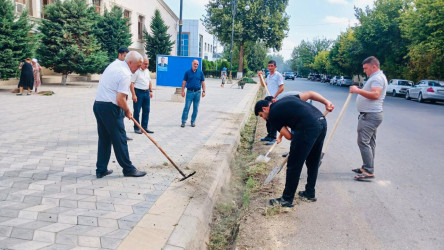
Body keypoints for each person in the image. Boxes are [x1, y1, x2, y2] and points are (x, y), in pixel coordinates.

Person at [255, 92, 334, 207]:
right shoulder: (287, 99)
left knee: (294, 164)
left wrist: (283, 130)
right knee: (313, 161)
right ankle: (309, 193)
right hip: (321, 121)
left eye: (262, 115)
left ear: (265, 108)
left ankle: (286, 199)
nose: (264, 118)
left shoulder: (272, 115)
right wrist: (327, 102)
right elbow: (310, 94)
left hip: (307, 127)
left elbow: (290, 136)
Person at [93, 51, 147, 178]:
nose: (139, 68)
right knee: (120, 139)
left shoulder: (115, 64)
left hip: (99, 105)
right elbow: (120, 99)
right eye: (138, 65)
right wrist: (127, 111)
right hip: (110, 108)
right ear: (130, 63)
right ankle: (128, 169)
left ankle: (101, 170)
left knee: (105, 139)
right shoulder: (125, 74)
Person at [349, 56, 387, 181]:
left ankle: (369, 171)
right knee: (370, 143)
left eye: (366, 68)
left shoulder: (377, 78)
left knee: (363, 142)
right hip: (371, 114)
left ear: (374, 66)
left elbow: (376, 95)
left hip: (370, 116)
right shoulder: (376, 77)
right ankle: (367, 167)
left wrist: (357, 90)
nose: (364, 71)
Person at [261, 60, 284, 144]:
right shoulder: (268, 75)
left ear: (275, 67)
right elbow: (264, 85)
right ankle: (269, 135)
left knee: (273, 118)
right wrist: (260, 77)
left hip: (274, 99)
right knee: (267, 118)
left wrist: (274, 96)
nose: (270, 67)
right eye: (269, 66)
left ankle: (273, 137)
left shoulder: (278, 75)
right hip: (267, 99)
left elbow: (282, 88)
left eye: (271, 66)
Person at [130, 55, 154, 134]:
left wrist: (151, 91)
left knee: (146, 110)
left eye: (147, 64)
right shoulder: (136, 71)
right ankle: (137, 127)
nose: (147, 65)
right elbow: (132, 83)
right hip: (138, 92)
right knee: (137, 111)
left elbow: (149, 81)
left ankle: (144, 127)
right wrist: (133, 95)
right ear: (141, 63)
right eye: (145, 64)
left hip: (146, 92)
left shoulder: (147, 71)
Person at [180, 59, 206, 128]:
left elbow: (203, 82)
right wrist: (182, 91)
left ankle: (193, 121)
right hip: (189, 92)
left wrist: (204, 91)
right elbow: (184, 82)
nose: (196, 65)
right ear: (192, 64)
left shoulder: (200, 72)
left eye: (197, 64)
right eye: (195, 64)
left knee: (195, 108)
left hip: (198, 92)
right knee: (187, 107)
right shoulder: (187, 72)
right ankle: (183, 121)